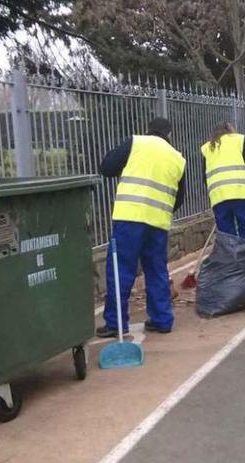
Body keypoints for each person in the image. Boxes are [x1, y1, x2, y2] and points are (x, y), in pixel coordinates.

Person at [96, 117, 187, 337]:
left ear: (148, 130)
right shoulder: (178, 158)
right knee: (156, 270)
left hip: (130, 217)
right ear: (170, 135)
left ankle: (116, 323)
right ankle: (162, 319)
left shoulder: (136, 143)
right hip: (158, 223)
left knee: (121, 270)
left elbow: (106, 167)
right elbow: (180, 198)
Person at [200, 122, 245, 243]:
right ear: (230, 130)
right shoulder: (239, 139)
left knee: (227, 236)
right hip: (240, 192)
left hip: (219, 196)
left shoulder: (207, 148)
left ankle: (232, 259)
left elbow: (205, 177)